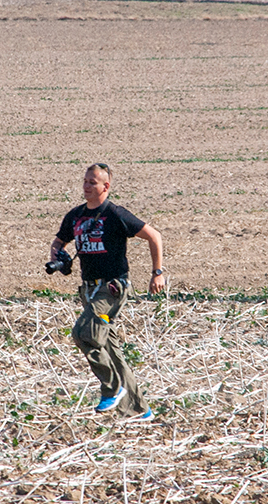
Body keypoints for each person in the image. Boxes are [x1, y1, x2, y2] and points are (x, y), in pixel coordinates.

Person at [49, 162, 164, 419]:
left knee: (84, 333)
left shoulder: (115, 214)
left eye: (92, 182)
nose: (86, 186)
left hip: (111, 288)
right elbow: (59, 241)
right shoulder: (76, 215)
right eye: (85, 181)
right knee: (111, 350)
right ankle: (140, 410)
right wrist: (57, 256)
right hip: (89, 291)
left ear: (106, 186)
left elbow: (154, 236)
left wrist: (157, 272)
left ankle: (112, 389)